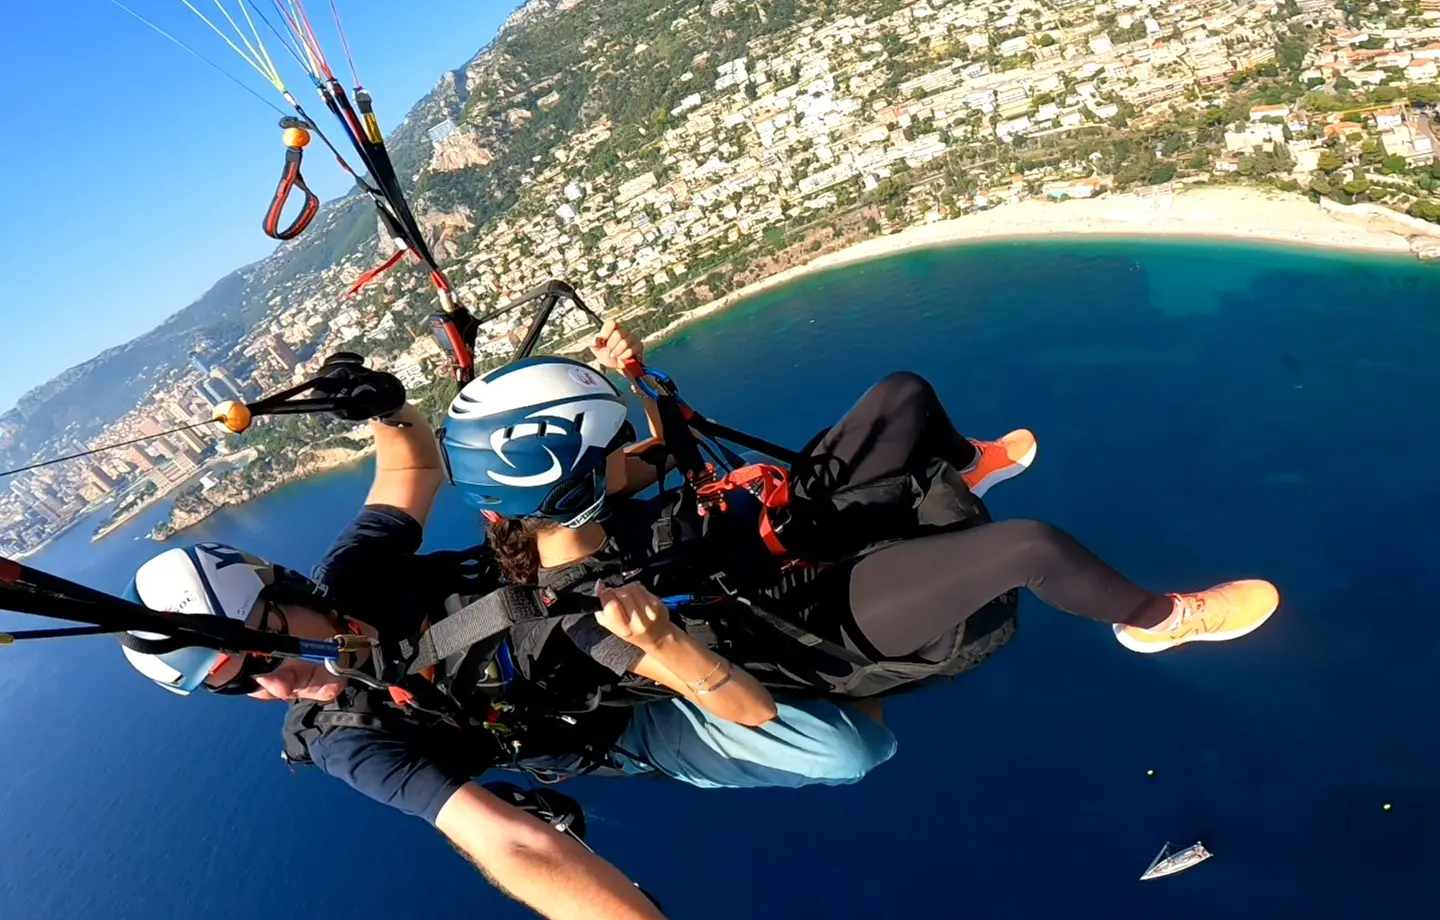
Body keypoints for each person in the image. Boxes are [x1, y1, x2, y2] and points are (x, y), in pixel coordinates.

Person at [119, 328, 895, 920]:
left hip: (589, 583)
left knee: (702, 495)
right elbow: (511, 842)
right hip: (606, 720)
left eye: (263, 645)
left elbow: (410, 470)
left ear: (281, 585)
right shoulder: (350, 739)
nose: (274, 678)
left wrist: (385, 407)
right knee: (845, 748)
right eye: (237, 685)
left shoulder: (359, 573)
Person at [442, 357, 1281, 713]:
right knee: (1031, 548)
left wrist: (634, 373)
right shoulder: (593, 623)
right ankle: (1158, 621)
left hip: (771, 533)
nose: (630, 454)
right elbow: (744, 707)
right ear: (576, 481)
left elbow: (664, 447)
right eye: (611, 447)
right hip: (814, 615)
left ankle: (965, 464)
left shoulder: (570, 505)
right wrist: (668, 644)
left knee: (902, 393)